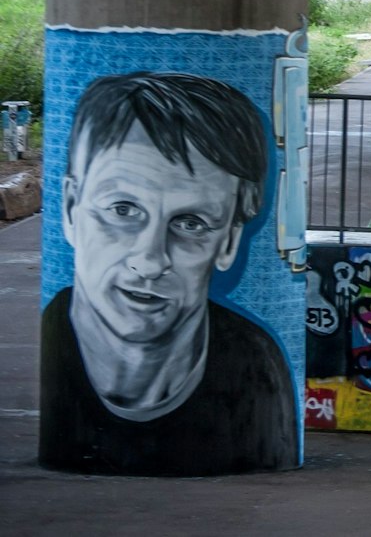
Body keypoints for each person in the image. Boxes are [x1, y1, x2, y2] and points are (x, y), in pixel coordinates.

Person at [41, 72, 297, 476]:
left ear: (229, 241)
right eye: (122, 210)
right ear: (71, 209)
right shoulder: (50, 341)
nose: (150, 261)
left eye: (191, 223)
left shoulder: (254, 367)